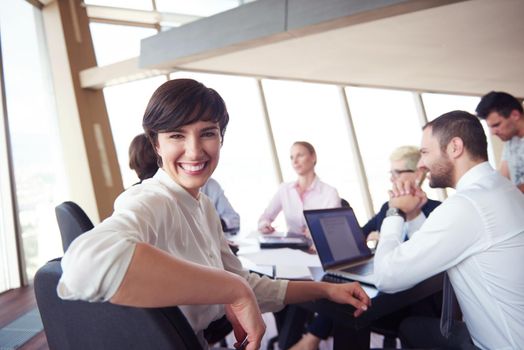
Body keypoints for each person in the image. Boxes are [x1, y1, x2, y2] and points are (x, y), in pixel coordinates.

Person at [57, 79, 371, 350]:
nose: (195, 151)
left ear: (221, 138)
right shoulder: (152, 199)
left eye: (207, 133)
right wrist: (232, 290)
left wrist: (326, 289)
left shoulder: (203, 205)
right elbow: (83, 266)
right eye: (176, 136)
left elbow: (246, 284)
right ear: (156, 145)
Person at [374, 110, 524, 349]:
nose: (421, 163)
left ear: (455, 147)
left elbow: (386, 276)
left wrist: (395, 212)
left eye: (425, 152)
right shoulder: (501, 188)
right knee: (414, 326)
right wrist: (413, 216)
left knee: (409, 327)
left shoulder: (466, 205)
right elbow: (443, 243)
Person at [290, 145, 442, 350]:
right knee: (345, 293)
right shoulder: (387, 207)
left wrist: (410, 216)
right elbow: (359, 235)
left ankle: (310, 339)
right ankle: (311, 339)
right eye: (391, 173)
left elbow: (424, 259)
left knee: (350, 300)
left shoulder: (437, 211)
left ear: (419, 173)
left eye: (397, 172)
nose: (392, 179)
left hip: (416, 303)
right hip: (383, 291)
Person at [129, 133, 240, 233]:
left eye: (207, 134)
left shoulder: (205, 197)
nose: (194, 154)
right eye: (177, 136)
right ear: (159, 151)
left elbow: (233, 219)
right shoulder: (139, 198)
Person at [258, 141, 340, 235]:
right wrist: (265, 225)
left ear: (313, 157)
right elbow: (264, 218)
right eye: (292, 157)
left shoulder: (330, 193)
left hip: (317, 247)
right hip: (291, 247)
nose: (295, 161)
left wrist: (317, 232)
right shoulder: (284, 189)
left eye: (300, 155)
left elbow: (334, 229)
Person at [475, 91, 524, 192]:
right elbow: (503, 177)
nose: (493, 132)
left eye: (496, 125)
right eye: (490, 127)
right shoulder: (511, 141)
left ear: (515, 115)